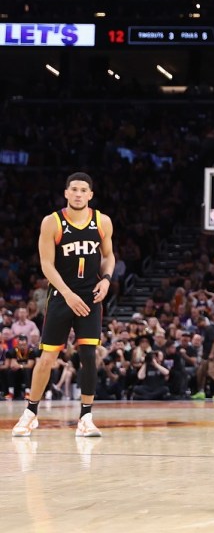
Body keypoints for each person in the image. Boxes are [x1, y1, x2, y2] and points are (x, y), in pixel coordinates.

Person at [12, 172, 115, 438]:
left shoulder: (102, 221)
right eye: (74, 189)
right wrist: (68, 293)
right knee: (47, 357)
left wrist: (106, 280)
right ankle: (30, 413)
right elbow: (46, 264)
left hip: (90, 296)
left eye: (83, 190)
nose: (78, 194)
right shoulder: (52, 222)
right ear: (66, 193)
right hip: (61, 295)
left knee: (89, 356)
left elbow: (108, 256)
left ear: (90, 194)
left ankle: (86, 418)